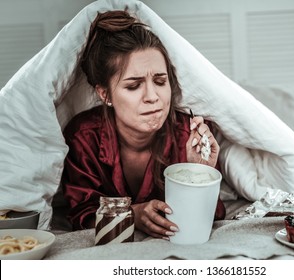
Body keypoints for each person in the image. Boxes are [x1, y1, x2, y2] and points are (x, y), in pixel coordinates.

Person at [60, 10, 225, 240]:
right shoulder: (83, 137)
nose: (152, 97)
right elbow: (80, 215)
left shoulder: (189, 135)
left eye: (160, 81)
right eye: (133, 86)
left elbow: (214, 216)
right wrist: (130, 215)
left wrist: (201, 173)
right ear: (105, 94)